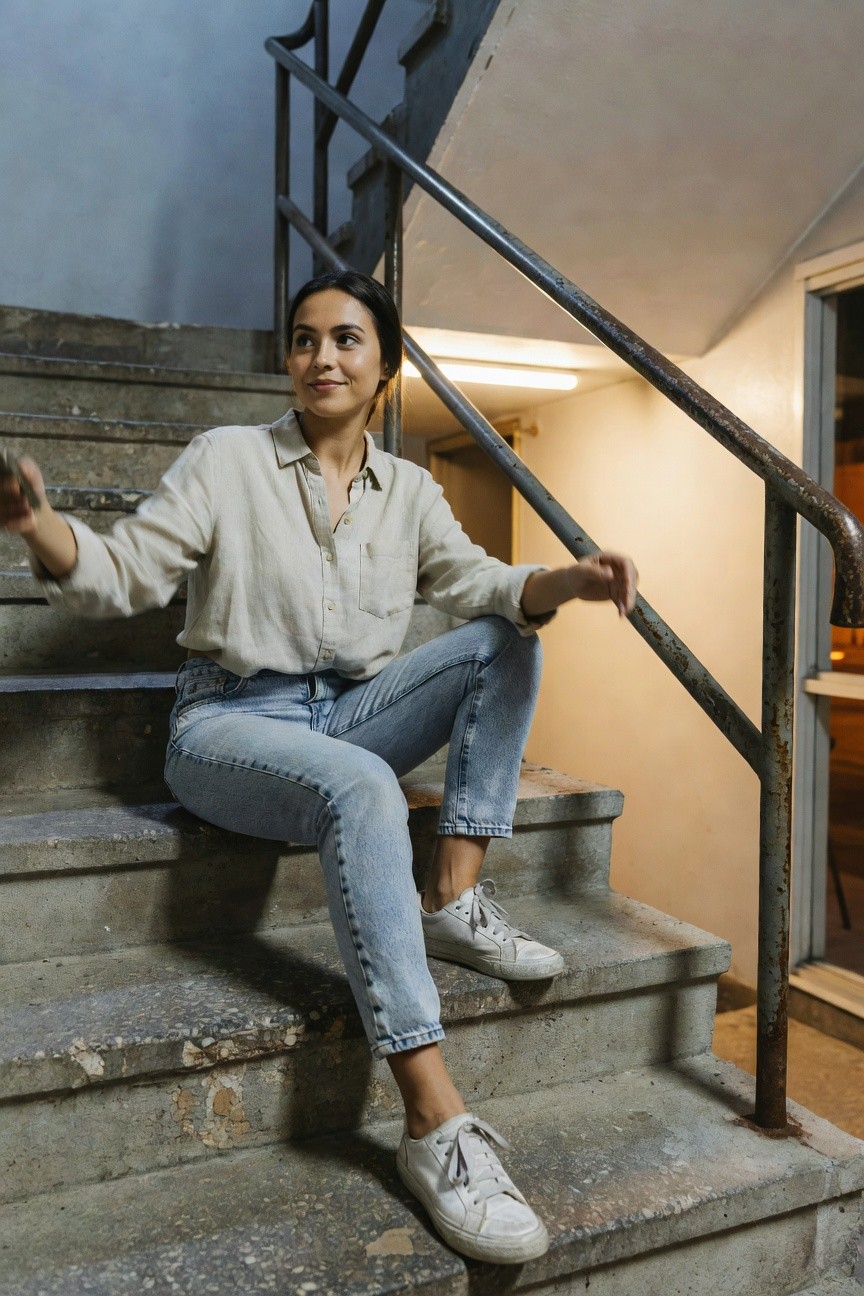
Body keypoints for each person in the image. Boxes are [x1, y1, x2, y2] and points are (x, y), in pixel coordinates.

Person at [1, 270, 637, 1266]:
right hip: (227, 723)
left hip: (346, 713)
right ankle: (432, 1119)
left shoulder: (409, 490)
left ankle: (451, 899)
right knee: (362, 786)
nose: (321, 357)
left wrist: (570, 581)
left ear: (385, 366)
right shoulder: (228, 458)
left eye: (346, 339)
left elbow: (483, 583)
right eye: (304, 339)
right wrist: (39, 526)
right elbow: (125, 573)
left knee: (507, 639)